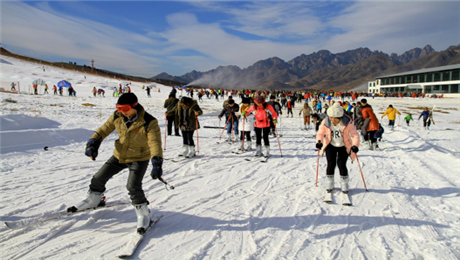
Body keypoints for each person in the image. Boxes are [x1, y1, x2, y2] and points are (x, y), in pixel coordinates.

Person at [68, 93, 163, 234]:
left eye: (124, 108)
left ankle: (144, 214)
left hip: (139, 158)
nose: (121, 111)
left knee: (133, 187)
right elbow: (103, 130)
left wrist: (157, 163)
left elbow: (154, 143)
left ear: (134, 106)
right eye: (118, 108)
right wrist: (93, 143)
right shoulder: (117, 116)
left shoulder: (149, 122)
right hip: (119, 155)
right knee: (98, 178)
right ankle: (94, 200)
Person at [315, 103, 360, 194]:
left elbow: (355, 135)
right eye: (331, 117)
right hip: (330, 145)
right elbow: (320, 133)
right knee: (331, 164)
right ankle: (329, 183)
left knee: (341, 164)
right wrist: (319, 141)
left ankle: (344, 184)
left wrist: (355, 145)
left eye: (335, 118)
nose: (332, 120)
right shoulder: (326, 121)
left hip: (343, 146)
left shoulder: (347, 122)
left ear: (340, 117)